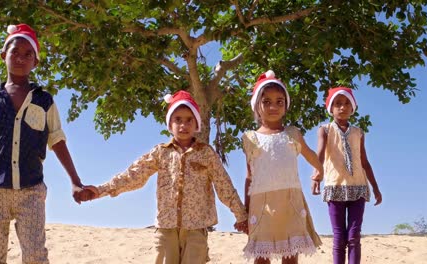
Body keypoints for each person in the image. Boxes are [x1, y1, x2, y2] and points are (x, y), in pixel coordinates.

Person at [78, 90, 248, 264]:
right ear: (170, 123)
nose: (183, 125)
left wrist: (241, 216)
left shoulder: (206, 153)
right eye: (178, 119)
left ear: (196, 122)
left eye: (189, 119)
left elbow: (224, 186)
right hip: (166, 228)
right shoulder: (161, 152)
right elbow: (134, 175)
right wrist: (100, 190)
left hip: (196, 228)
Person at [0, 24, 86, 264]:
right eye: (14, 52)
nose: (20, 58)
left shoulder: (44, 100)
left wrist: (75, 181)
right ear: (3, 56)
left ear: (36, 62)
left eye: (27, 54)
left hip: (31, 190)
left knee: (35, 256)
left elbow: (57, 140)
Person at [242, 70, 323, 264]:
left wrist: (320, 170)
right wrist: (245, 210)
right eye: (266, 101)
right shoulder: (250, 138)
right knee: (261, 256)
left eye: (279, 101)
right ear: (257, 106)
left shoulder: (292, 134)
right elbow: (249, 176)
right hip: (261, 206)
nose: (273, 106)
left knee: (290, 253)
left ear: (286, 106)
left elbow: (310, 154)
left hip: (290, 202)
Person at [313, 87, 382, 264]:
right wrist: (317, 175)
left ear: (353, 108)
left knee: (353, 236)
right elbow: (319, 154)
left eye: (346, 104)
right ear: (330, 108)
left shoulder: (358, 133)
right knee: (339, 237)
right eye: (337, 104)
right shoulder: (325, 130)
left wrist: (375, 187)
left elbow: (365, 162)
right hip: (335, 188)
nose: (342, 107)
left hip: (358, 188)